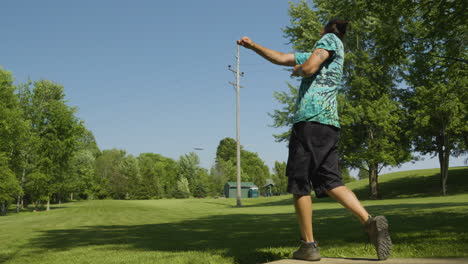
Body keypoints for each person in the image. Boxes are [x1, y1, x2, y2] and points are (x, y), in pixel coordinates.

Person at [237, 19, 392, 261]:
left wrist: (300, 70)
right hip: (329, 125)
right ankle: (369, 222)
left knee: (300, 182)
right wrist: (254, 46)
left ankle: (308, 245)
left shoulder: (329, 41)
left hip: (310, 121)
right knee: (331, 181)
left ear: (325, 30)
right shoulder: (332, 50)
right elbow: (281, 58)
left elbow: (309, 67)